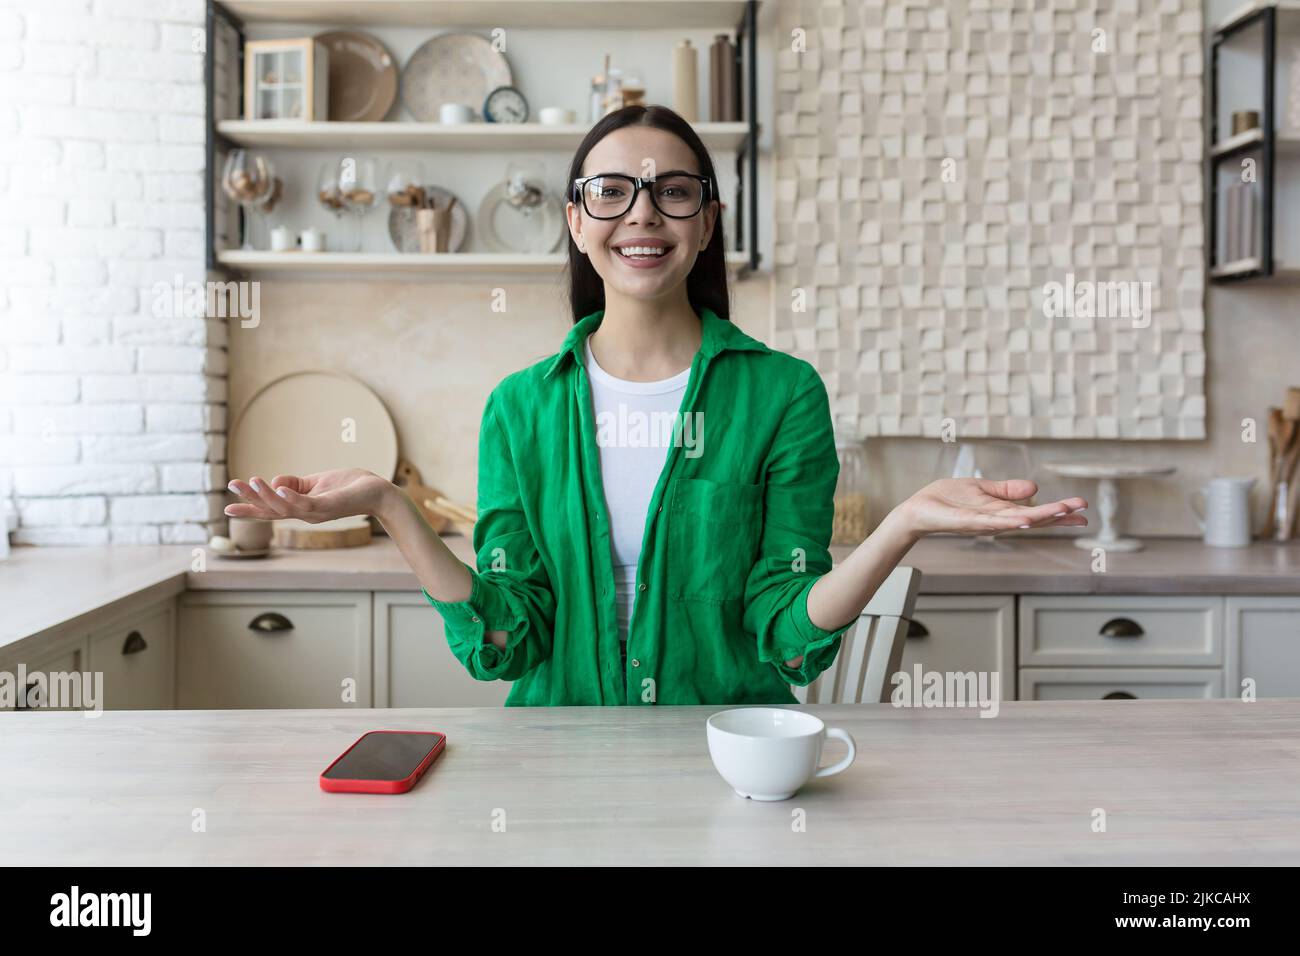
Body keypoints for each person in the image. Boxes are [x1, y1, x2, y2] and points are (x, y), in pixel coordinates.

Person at [225, 105, 1087, 706]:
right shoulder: (520, 409)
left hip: (728, 752)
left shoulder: (782, 395)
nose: (642, 213)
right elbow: (505, 641)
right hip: (559, 758)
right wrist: (388, 504)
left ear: (706, 222)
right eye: (611, 192)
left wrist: (900, 527)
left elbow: (785, 634)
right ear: (575, 219)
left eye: (673, 191)